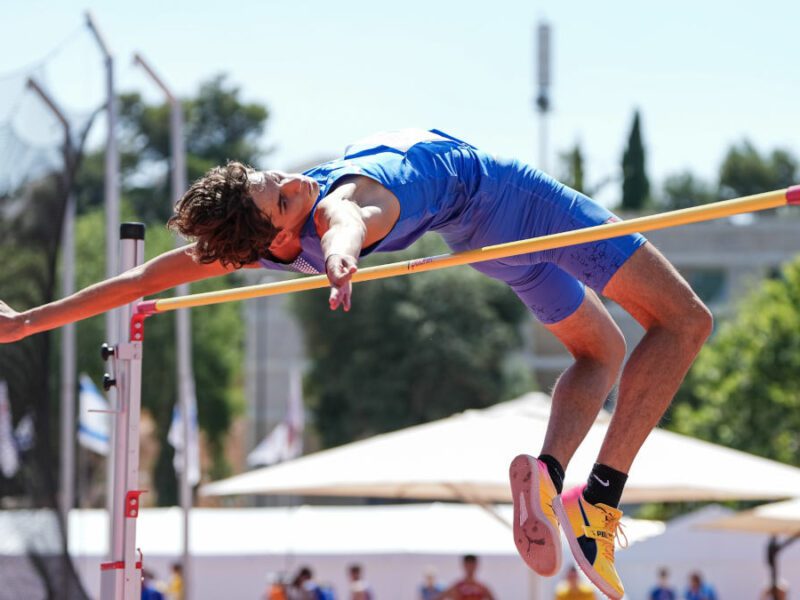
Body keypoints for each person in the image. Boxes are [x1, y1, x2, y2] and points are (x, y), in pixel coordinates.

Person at [0, 128, 712, 599]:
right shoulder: (337, 207)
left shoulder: (264, 228)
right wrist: (341, 260)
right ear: (271, 243)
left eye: (268, 175)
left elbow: (141, 280)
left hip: (481, 239)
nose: (290, 181)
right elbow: (350, 219)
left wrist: (27, 322)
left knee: (602, 351)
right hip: (515, 201)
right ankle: (601, 500)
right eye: (279, 198)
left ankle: (553, 477)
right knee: (684, 322)